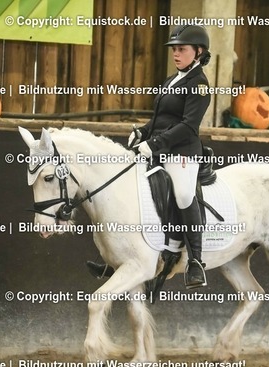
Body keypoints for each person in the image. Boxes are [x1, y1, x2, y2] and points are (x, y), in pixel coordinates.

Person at [87, 25, 212, 289]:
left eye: (182, 49)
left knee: (183, 195)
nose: (176, 54)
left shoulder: (199, 85)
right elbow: (160, 119)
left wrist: (155, 144)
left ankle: (195, 262)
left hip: (182, 154)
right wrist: (142, 132)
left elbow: (188, 125)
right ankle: (119, 257)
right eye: (174, 49)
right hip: (158, 149)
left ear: (199, 52)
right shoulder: (172, 80)